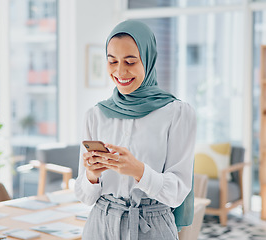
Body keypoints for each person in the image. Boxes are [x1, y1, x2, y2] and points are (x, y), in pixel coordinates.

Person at [75, 20, 196, 240]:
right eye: (112, 61)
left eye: (130, 61)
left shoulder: (178, 113)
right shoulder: (95, 115)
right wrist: (92, 175)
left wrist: (139, 171)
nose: (120, 71)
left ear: (148, 60)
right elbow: (84, 196)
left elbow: (178, 191)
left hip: (153, 227)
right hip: (99, 226)